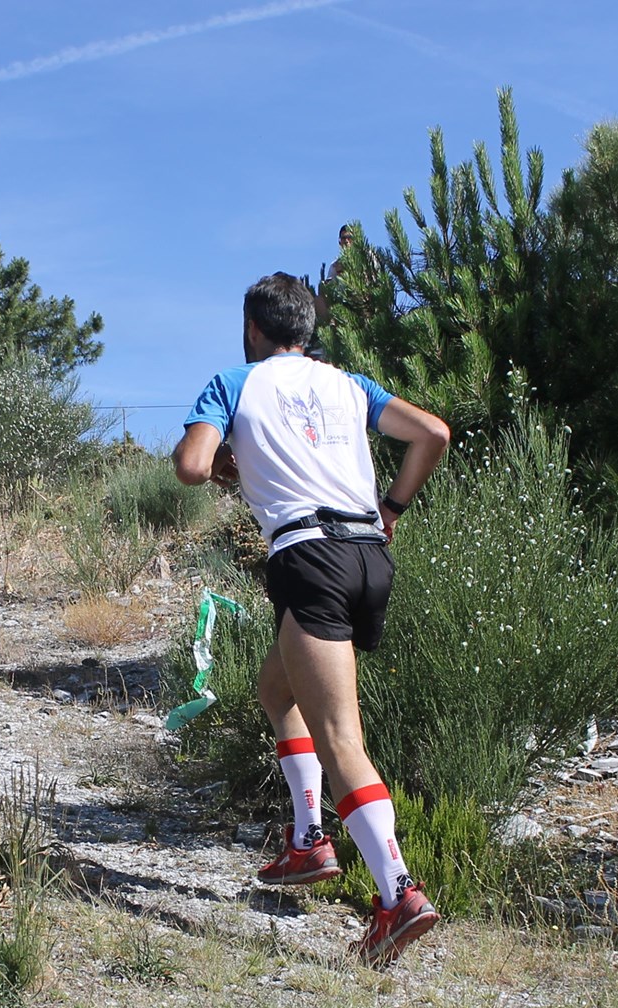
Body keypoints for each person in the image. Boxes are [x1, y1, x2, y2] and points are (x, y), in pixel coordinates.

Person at [172, 272, 450, 967]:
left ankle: (398, 896)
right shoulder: (349, 384)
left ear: (253, 330)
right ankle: (306, 843)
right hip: (367, 557)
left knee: (340, 737)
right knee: (276, 688)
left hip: (310, 555)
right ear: (309, 330)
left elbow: (189, 465)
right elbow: (433, 434)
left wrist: (229, 463)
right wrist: (392, 507)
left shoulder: (234, 381)